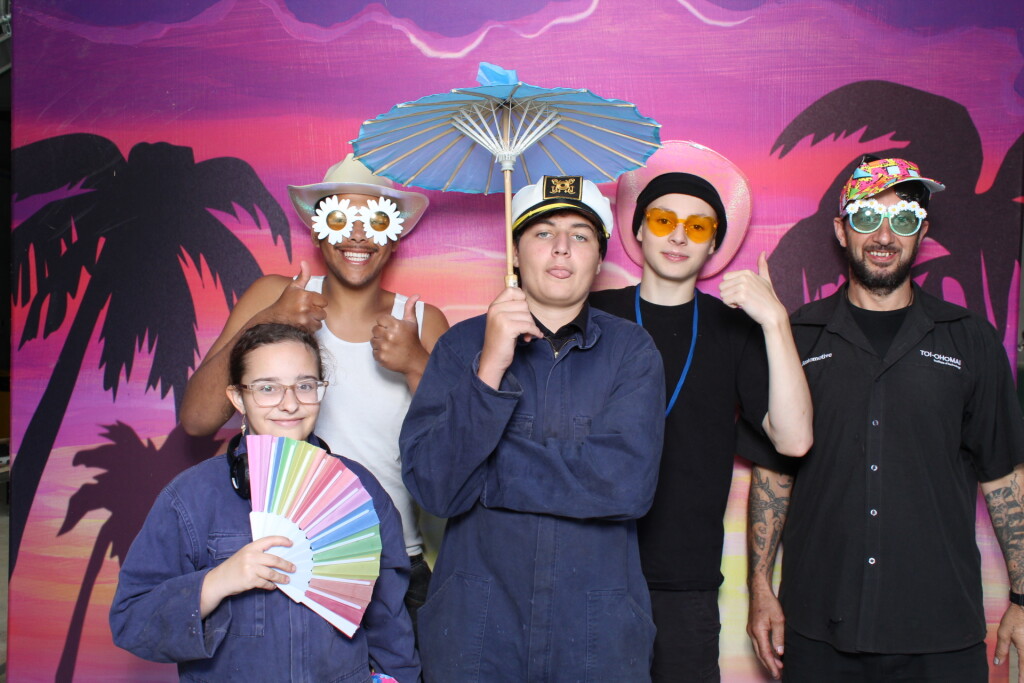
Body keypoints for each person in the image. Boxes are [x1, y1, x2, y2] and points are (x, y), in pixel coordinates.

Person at [746, 156, 1024, 683]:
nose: (884, 235)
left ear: (922, 232)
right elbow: (773, 476)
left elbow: (1004, 478)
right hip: (818, 627)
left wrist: (1023, 596)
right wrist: (760, 587)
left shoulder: (971, 339)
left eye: (903, 219)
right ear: (841, 229)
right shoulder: (794, 337)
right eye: (867, 216)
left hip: (941, 632)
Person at [400, 175, 666, 681]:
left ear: (599, 259)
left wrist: (487, 474)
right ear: (516, 254)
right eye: (543, 233)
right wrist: (490, 367)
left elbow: (627, 484)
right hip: (476, 634)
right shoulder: (460, 347)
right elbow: (435, 488)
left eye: (580, 235)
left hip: (596, 637)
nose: (562, 247)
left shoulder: (632, 351)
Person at [179, 155, 449, 628]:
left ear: (394, 234)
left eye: (374, 220)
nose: (357, 235)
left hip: (392, 563)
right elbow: (197, 419)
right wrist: (269, 321)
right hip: (281, 559)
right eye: (341, 218)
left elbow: (457, 452)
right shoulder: (272, 296)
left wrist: (415, 363)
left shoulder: (423, 322)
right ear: (318, 229)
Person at [588, 151, 813, 682]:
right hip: (590, 565)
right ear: (638, 230)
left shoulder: (732, 328)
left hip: (684, 575)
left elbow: (795, 440)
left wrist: (775, 321)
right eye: (663, 220)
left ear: (714, 244)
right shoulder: (595, 315)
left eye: (697, 226)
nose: (678, 236)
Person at [110, 323, 419, 682]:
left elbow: (389, 624)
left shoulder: (360, 488)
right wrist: (218, 580)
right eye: (267, 388)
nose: (290, 404)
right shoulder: (191, 497)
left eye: (305, 385)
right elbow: (132, 621)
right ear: (238, 398)